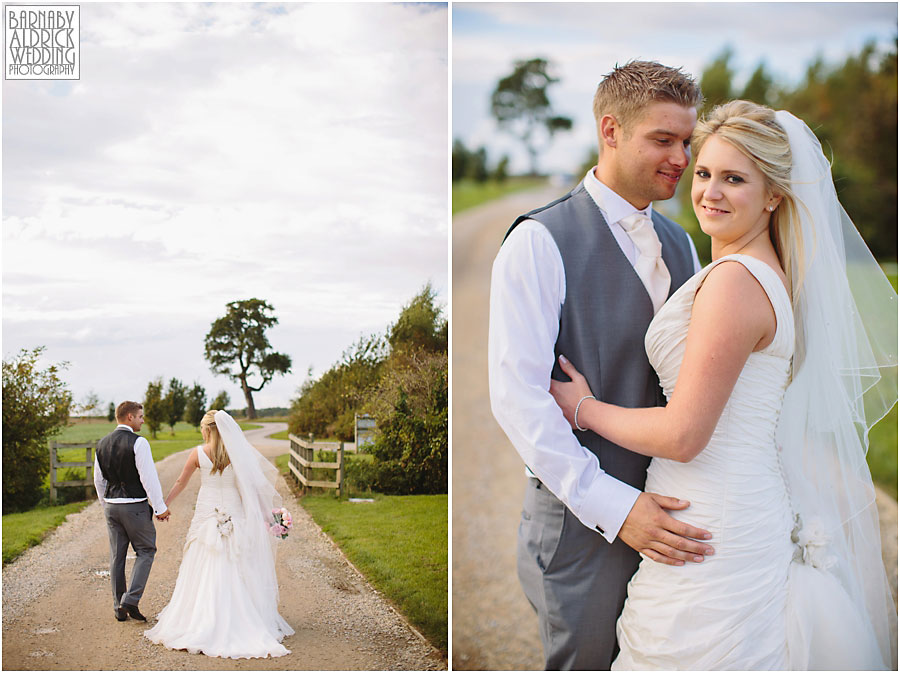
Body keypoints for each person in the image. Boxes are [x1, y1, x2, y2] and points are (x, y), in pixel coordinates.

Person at [550, 100, 897, 669]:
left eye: (734, 178)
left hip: (711, 523)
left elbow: (686, 433)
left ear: (773, 195)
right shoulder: (767, 272)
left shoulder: (735, 282)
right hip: (736, 506)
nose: (710, 191)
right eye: (705, 173)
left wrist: (583, 406)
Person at [489, 60, 709, 670]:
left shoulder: (681, 242)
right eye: (662, 140)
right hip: (584, 529)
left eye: (686, 141)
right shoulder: (538, 241)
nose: (680, 158)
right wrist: (617, 508)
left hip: (677, 512)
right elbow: (519, 400)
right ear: (610, 131)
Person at [144, 410, 294, 659]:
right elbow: (252, 490)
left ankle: (200, 617)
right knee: (236, 558)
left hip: (207, 509)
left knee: (203, 557)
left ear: (206, 430)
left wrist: (163, 505)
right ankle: (240, 616)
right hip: (234, 509)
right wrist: (268, 516)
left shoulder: (198, 453)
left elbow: (181, 482)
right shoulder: (237, 454)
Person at [94, 401, 171, 622]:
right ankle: (130, 599)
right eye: (140, 416)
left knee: (117, 556)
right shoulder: (139, 443)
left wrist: (106, 504)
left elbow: (98, 480)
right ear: (129, 417)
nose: (143, 420)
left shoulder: (102, 444)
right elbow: (149, 478)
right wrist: (160, 508)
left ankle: (119, 607)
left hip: (111, 506)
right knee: (146, 551)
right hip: (135, 506)